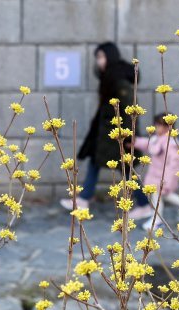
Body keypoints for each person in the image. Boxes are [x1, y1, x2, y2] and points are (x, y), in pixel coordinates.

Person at [64, 42, 146, 213]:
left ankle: (145, 204)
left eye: (101, 57)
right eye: (97, 58)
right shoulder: (109, 77)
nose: (99, 62)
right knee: (96, 162)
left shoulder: (118, 79)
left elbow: (130, 110)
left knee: (127, 169)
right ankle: (84, 198)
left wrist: (129, 137)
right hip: (107, 134)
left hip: (118, 135)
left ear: (110, 56)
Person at [128, 113, 179, 220]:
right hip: (157, 176)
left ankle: (158, 219)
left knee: (160, 197)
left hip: (163, 178)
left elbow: (174, 165)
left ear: (166, 127)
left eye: (158, 125)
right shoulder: (160, 138)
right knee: (159, 197)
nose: (156, 128)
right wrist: (135, 142)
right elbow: (149, 143)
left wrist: (167, 182)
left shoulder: (171, 143)